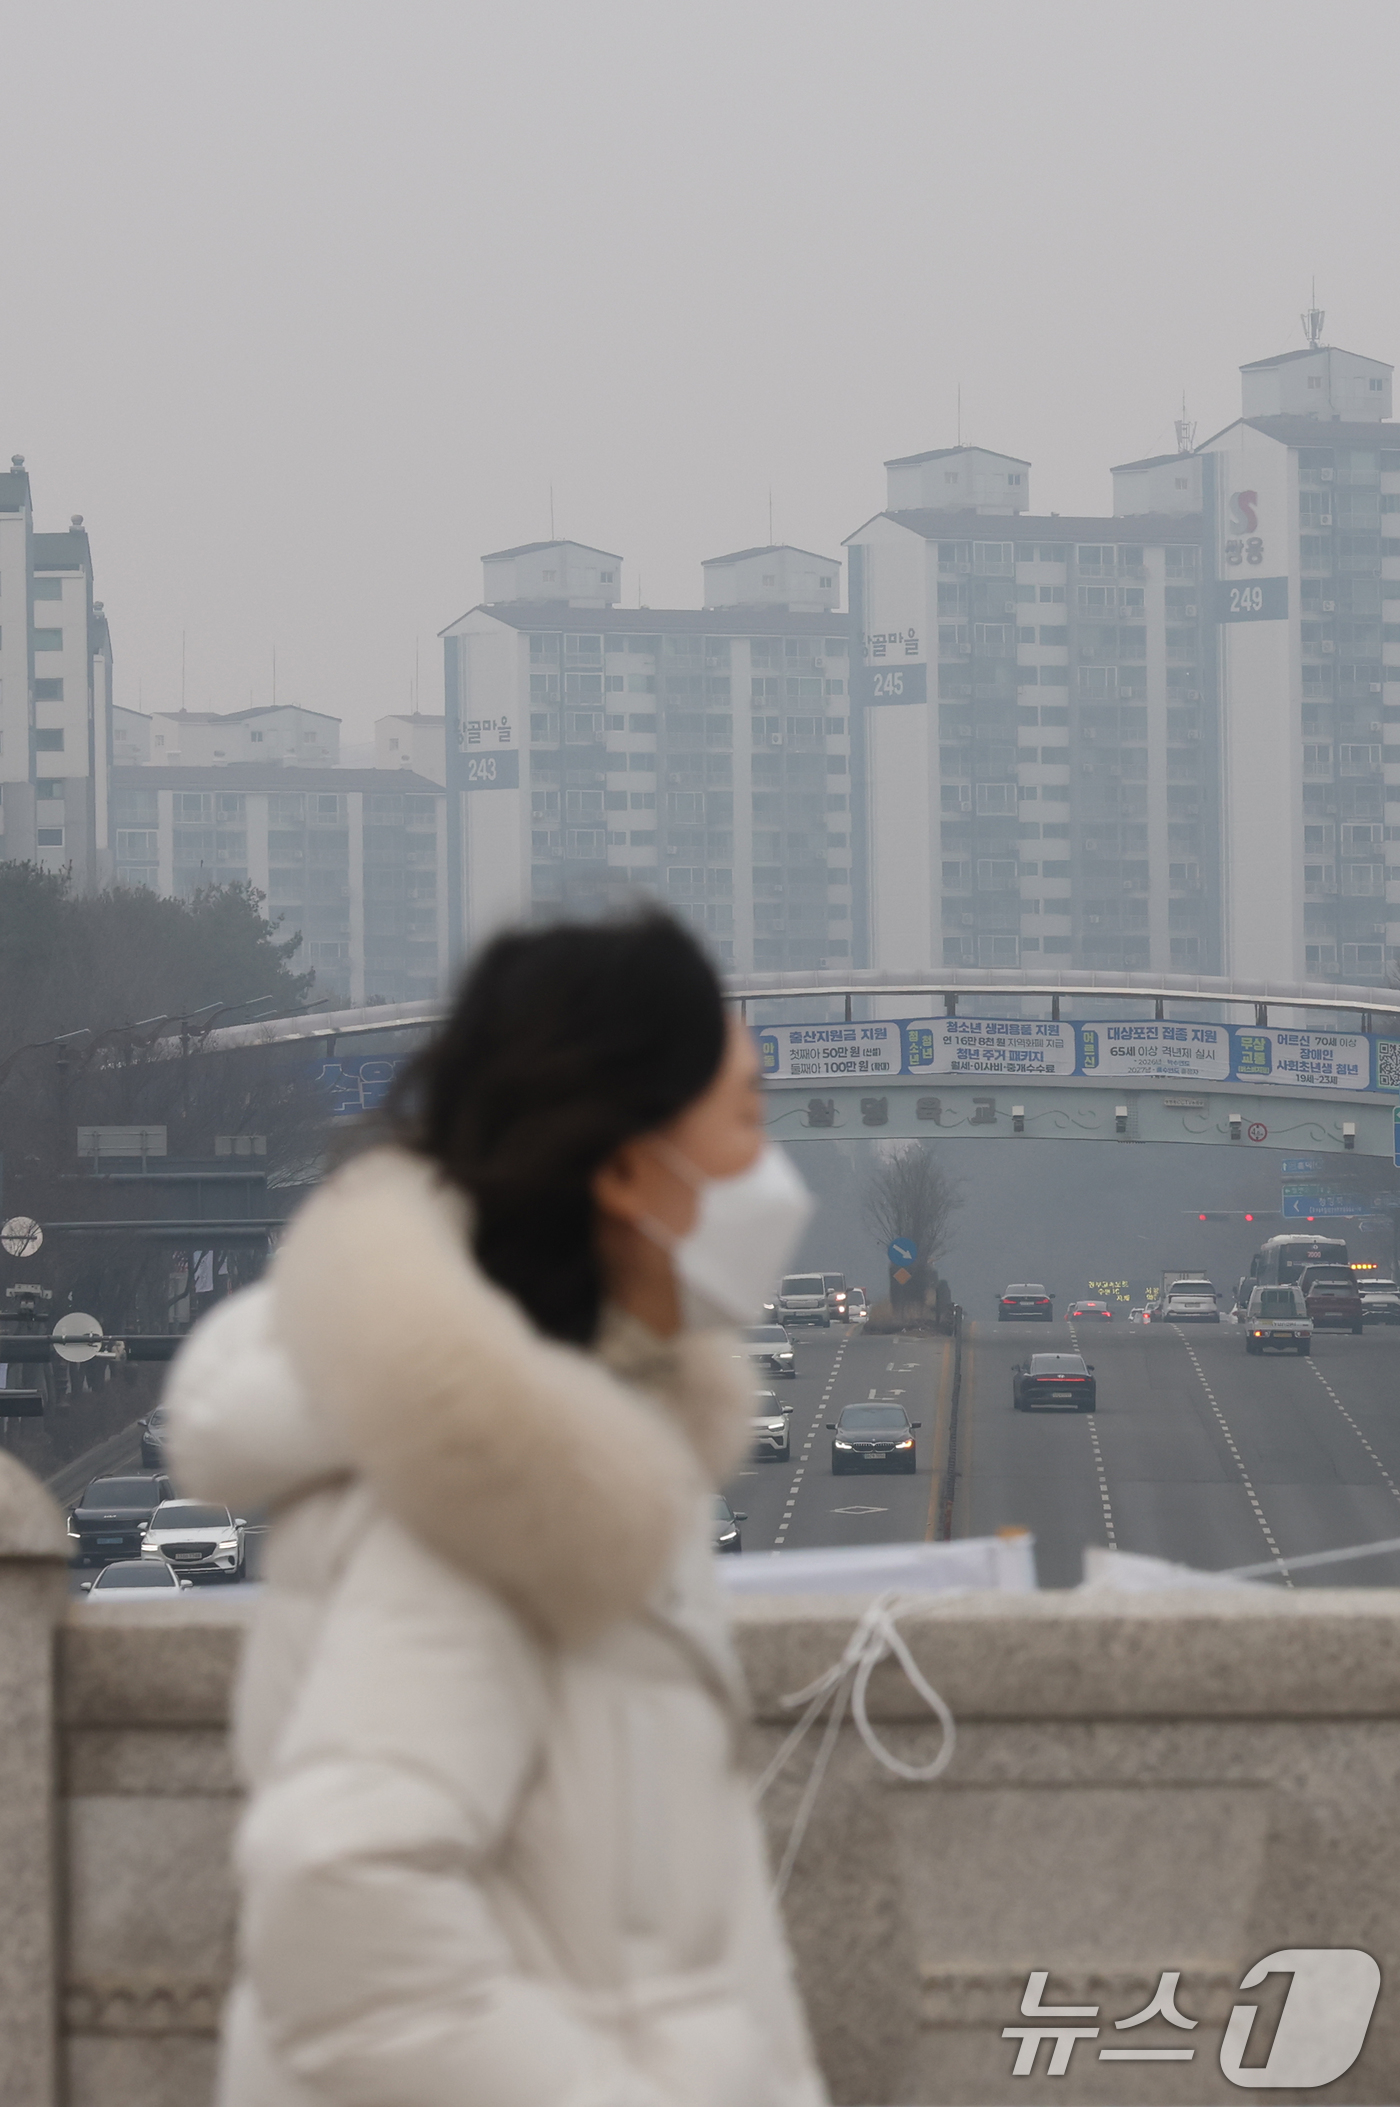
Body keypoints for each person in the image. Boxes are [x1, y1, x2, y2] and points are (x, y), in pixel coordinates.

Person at [166, 909, 826, 2107]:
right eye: (743, 1116)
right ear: (628, 1165)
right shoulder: (491, 1493)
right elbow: (339, 1900)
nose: (769, 1166)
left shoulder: (561, 1443)